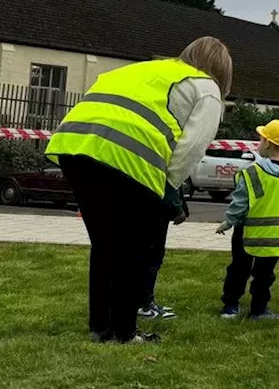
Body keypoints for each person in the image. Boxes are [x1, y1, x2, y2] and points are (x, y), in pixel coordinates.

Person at [45, 36, 231, 344]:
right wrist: (168, 188)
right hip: (131, 157)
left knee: (106, 246)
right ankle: (125, 333)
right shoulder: (207, 88)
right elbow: (192, 147)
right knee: (136, 251)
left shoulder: (147, 69)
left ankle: (101, 328)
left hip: (75, 146)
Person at [216, 119, 279, 320]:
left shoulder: (252, 172)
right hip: (278, 235)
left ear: (268, 143)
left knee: (239, 269)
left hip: (247, 232)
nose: (258, 142)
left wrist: (229, 221)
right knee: (265, 274)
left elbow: (240, 202)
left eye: (261, 138)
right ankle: (259, 309)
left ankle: (230, 306)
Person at [137, 183, 189, 320]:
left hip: (151, 208)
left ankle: (145, 302)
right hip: (155, 211)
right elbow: (170, 182)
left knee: (149, 258)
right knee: (151, 259)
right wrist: (177, 208)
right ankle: (144, 305)